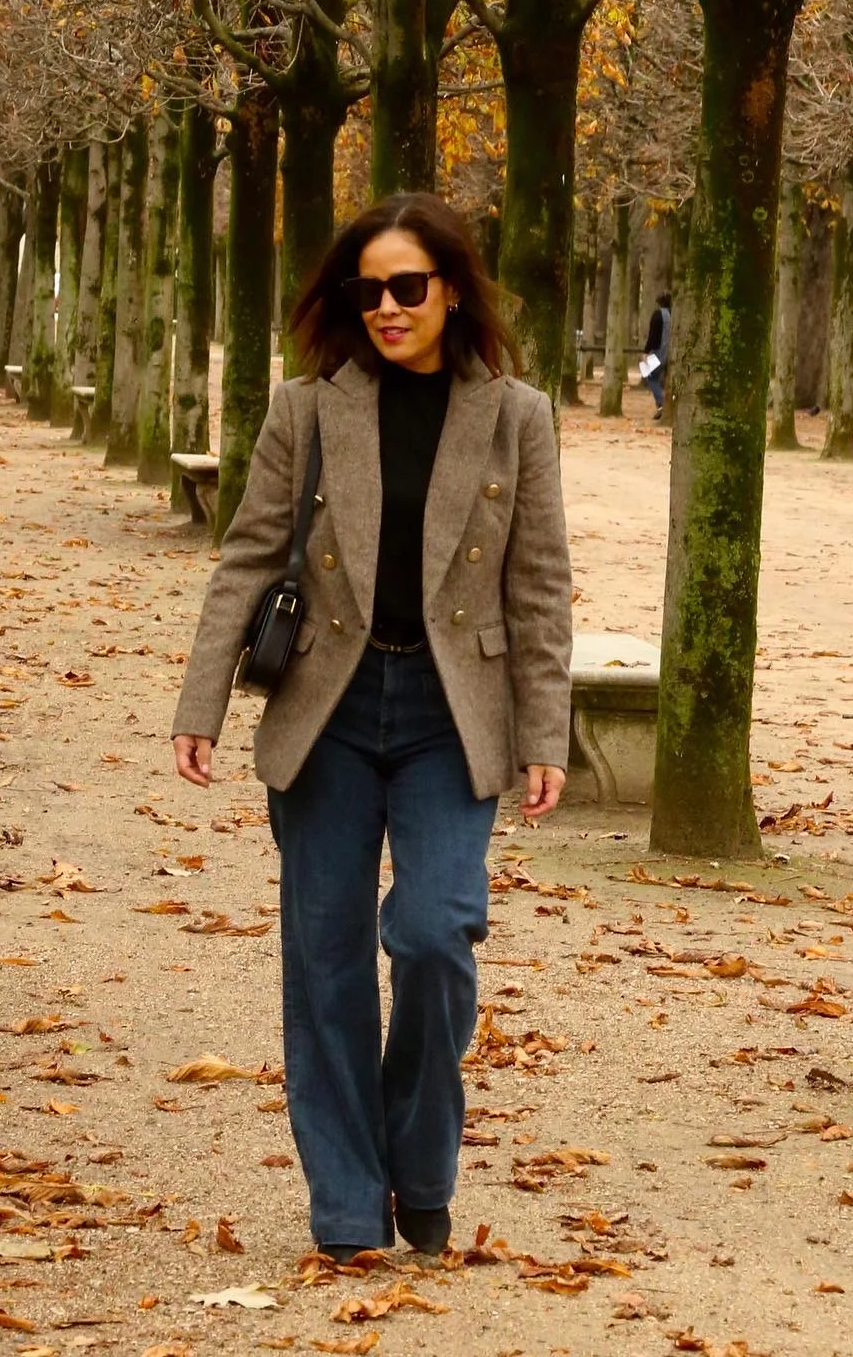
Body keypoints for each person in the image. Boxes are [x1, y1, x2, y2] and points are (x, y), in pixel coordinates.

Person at [170, 193, 573, 1264]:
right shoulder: (308, 409)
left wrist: (546, 734)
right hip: (328, 710)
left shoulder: (517, 416)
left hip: (455, 714)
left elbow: (539, 587)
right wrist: (200, 701)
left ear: (451, 291)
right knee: (329, 962)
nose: (388, 308)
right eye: (369, 290)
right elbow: (249, 558)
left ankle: (424, 1167)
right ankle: (349, 1204)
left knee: (436, 936)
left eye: (408, 287)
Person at [640, 291, 671, 416]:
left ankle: (661, 403)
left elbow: (652, 336)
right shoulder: (674, 314)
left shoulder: (657, 315)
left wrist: (646, 352)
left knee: (650, 376)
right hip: (671, 351)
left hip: (658, 351)